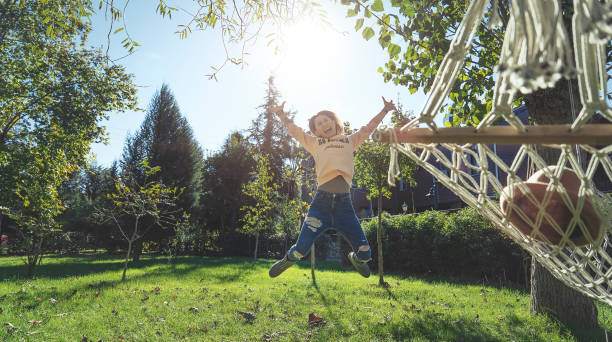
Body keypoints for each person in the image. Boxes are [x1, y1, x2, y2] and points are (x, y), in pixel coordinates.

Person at [268, 97, 397, 278]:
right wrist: (282, 114)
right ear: (315, 131)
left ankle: (356, 259)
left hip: (344, 207)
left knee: (366, 253)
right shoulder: (315, 143)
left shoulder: (350, 140)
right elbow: (295, 132)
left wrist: (385, 110)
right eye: (319, 124)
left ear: (335, 122)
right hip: (321, 205)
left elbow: (368, 128)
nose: (323, 124)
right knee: (300, 251)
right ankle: (288, 259)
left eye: (326, 120)